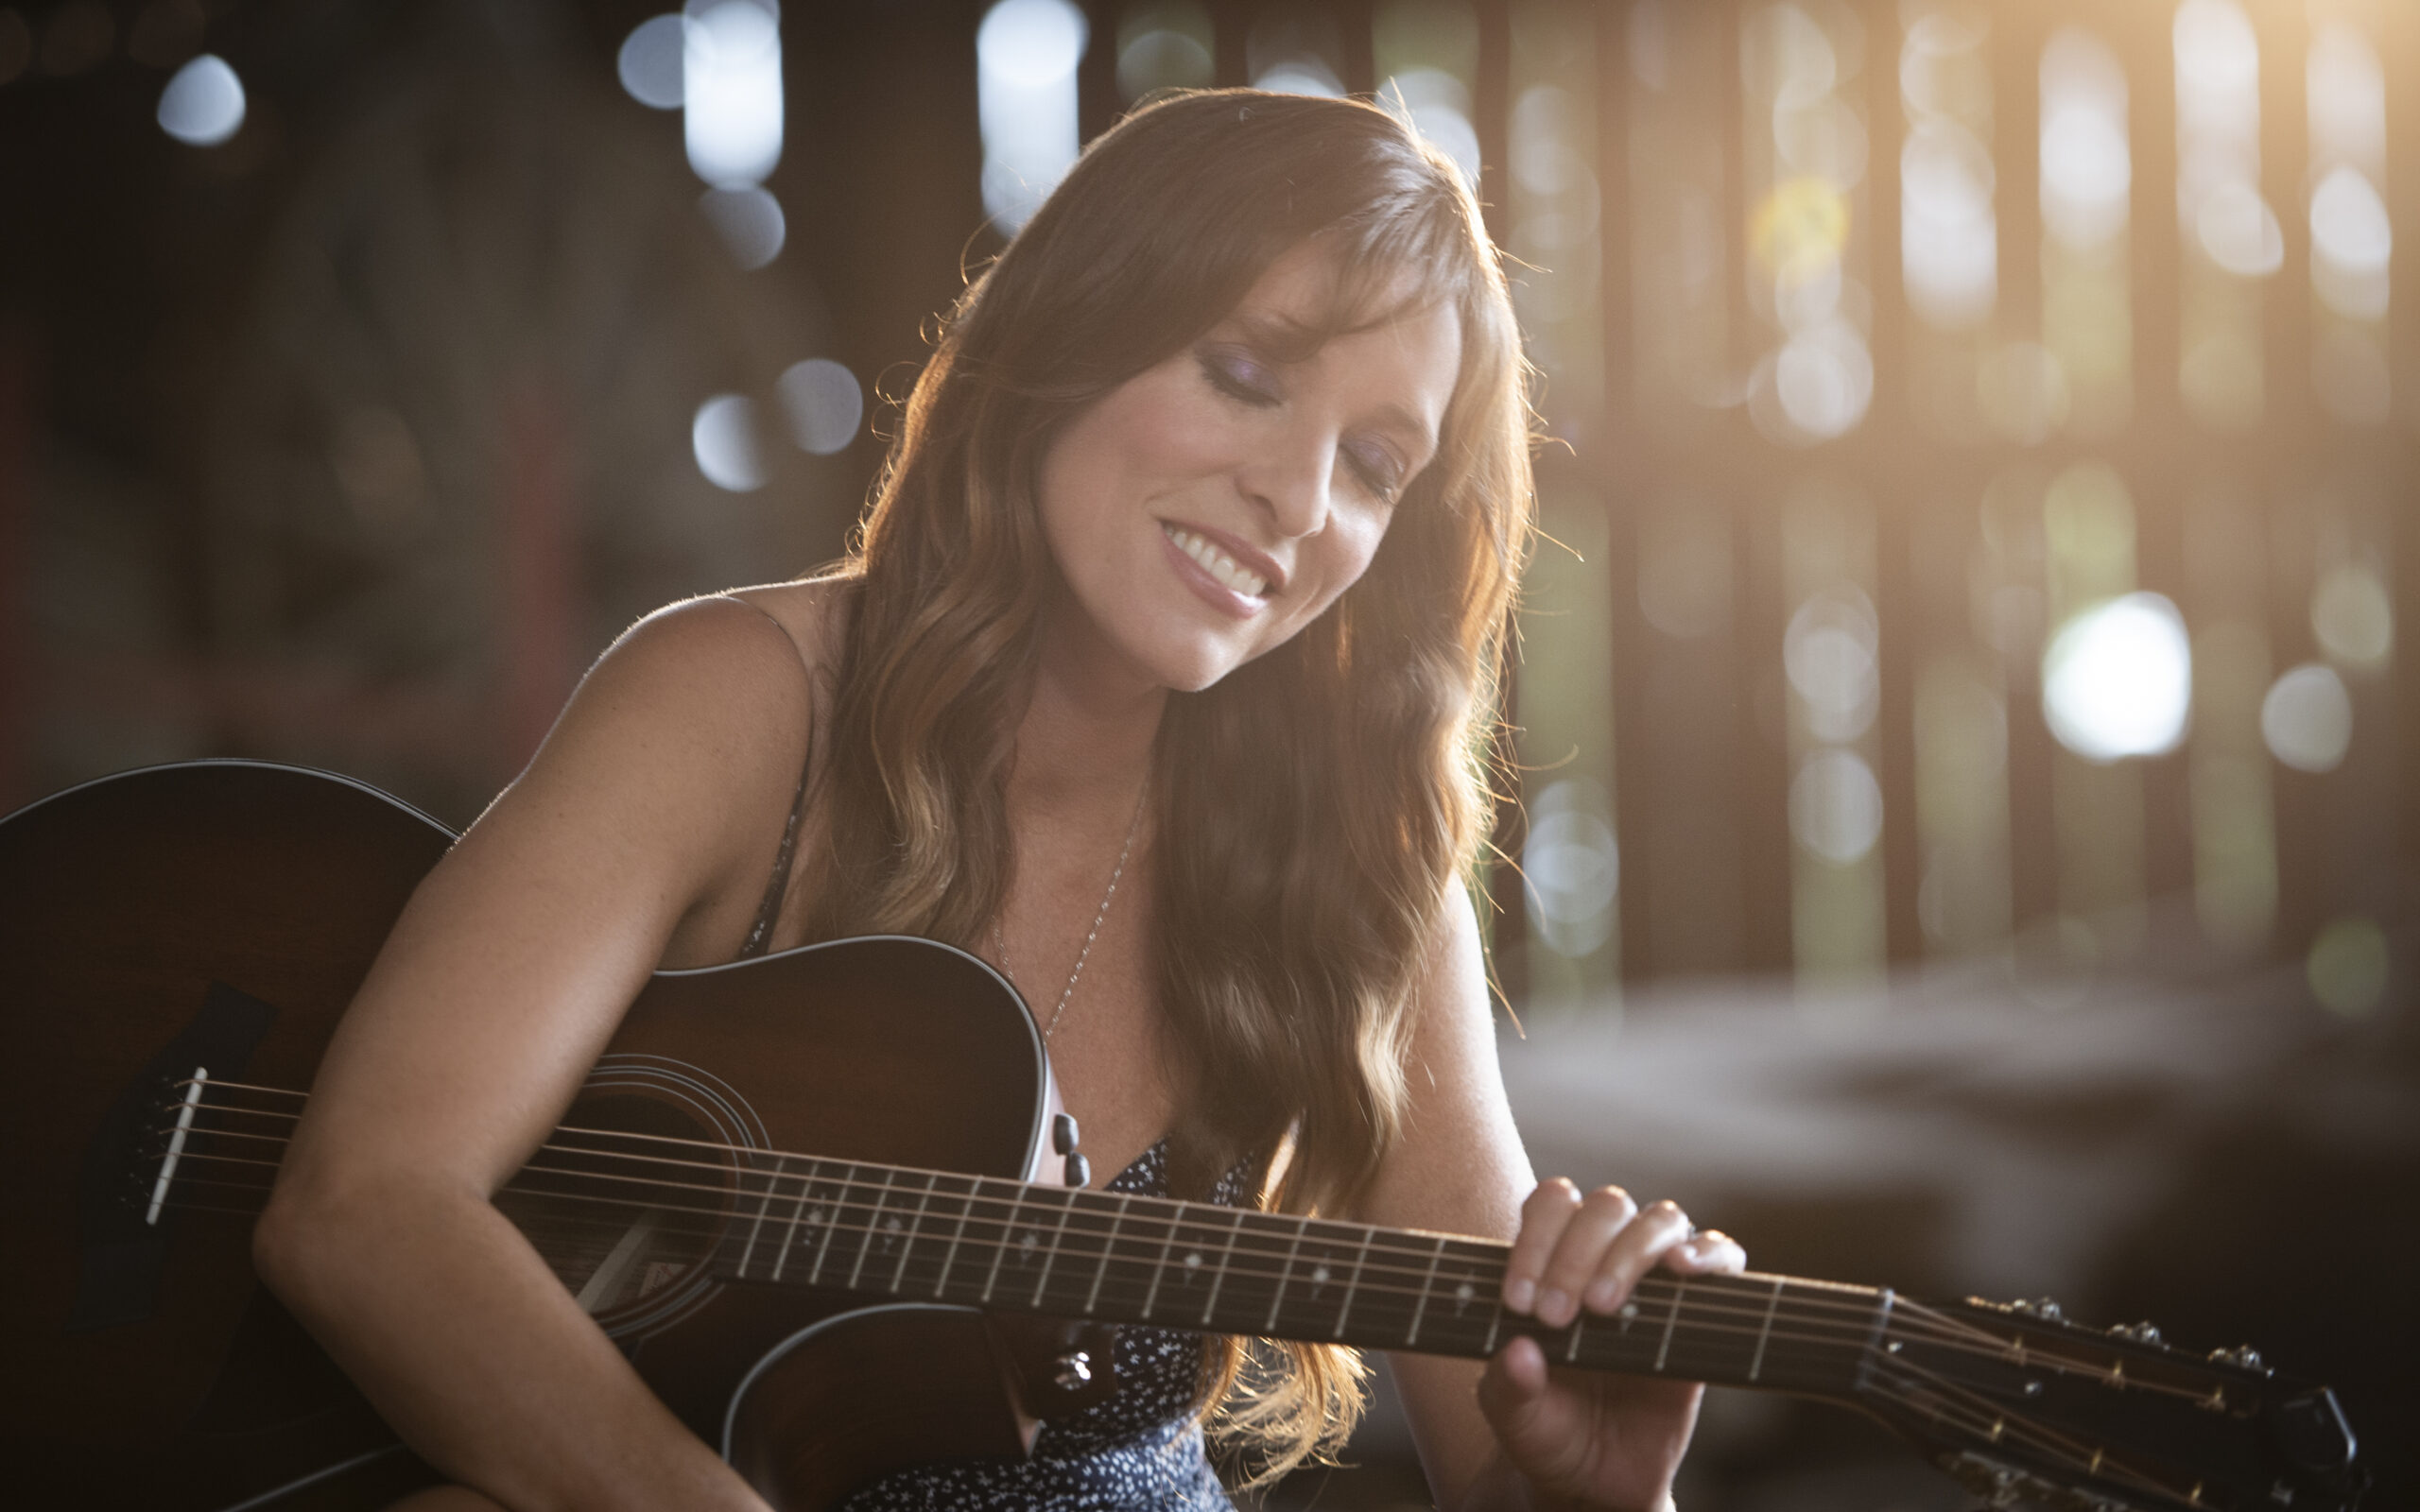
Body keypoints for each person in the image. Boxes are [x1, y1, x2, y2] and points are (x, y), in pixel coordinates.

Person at [254, 89, 1746, 1512]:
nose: (1299, 499)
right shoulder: (738, 701)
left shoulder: (1356, 860)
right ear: (1074, 333)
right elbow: (368, 1202)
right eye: (1246, 373)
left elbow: (1502, 1475)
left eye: (1372, 466)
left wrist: (1599, 1492)